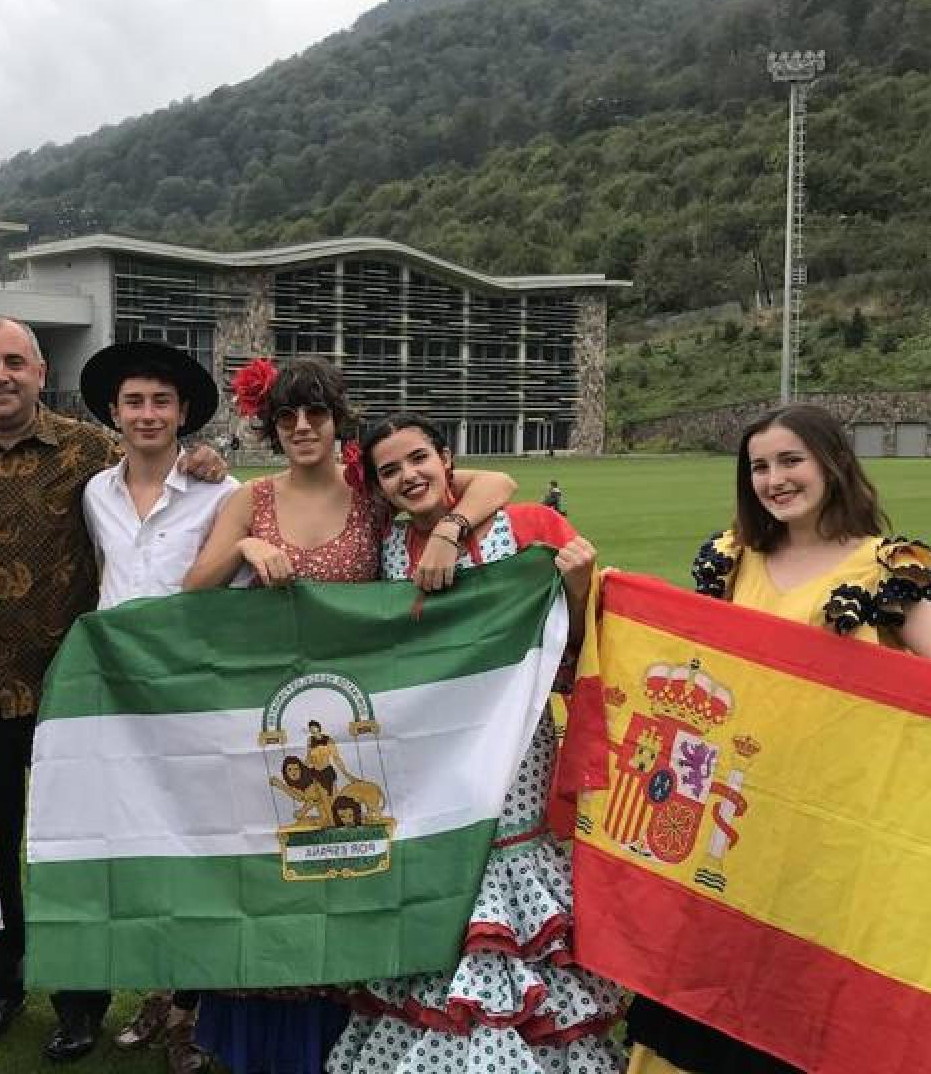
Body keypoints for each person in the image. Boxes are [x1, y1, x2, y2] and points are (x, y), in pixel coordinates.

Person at [625, 403, 931, 1074]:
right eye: (759, 466)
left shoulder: (883, 570)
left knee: (807, 997)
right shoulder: (732, 560)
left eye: (790, 461)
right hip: (734, 821)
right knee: (711, 993)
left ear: (831, 464)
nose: (774, 480)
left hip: (834, 826)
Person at [179, 360, 518, 1074]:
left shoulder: (370, 495)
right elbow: (194, 587)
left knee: (344, 870)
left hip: (358, 722)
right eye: (286, 418)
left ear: (338, 423)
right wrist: (245, 546)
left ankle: (346, 1033)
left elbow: (496, 485)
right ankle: (257, 1042)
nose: (302, 429)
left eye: (316, 415)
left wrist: (454, 529)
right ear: (269, 427)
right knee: (273, 877)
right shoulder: (252, 499)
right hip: (271, 723)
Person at [0, 317, 228, 1063]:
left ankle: (78, 1003)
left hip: (76, 694)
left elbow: (162, 468)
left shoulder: (91, 453)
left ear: (40, 369)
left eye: (14, 361)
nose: (0, 375)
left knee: (70, 851)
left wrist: (205, 456)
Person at [331, 413, 629, 1074]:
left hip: (516, 743)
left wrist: (578, 586)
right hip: (430, 751)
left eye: (419, 459)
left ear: (446, 459)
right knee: (449, 866)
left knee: (505, 862)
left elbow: (574, 650)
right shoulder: (384, 550)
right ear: (378, 486)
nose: (409, 476)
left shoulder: (528, 528)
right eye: (390, 470)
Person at [77, 341, 239, 1074]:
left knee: (197, 852)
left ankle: (191, 1009)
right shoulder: (95, 494)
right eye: (134, 401)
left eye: (160, 402)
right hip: (119, 702)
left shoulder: (221, 490)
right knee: (138, 851)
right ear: (114, 412)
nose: (147, 414)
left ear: (183, 415)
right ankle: (159, 989)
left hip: (192, 698)